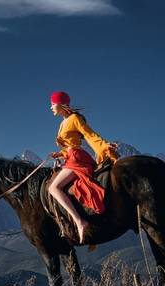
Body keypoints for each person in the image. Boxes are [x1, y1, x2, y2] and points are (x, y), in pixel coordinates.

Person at [48, 91, 119, 244]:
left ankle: (80, 222)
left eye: (53, 104)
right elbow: (70, 145)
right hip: (71, 156)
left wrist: (104, 145)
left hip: (76, 158)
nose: (51, 107)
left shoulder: (74, 118)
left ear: (60, 104)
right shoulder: (63, 122)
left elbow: (89, 134)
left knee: (53, 188)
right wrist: (59, 154)